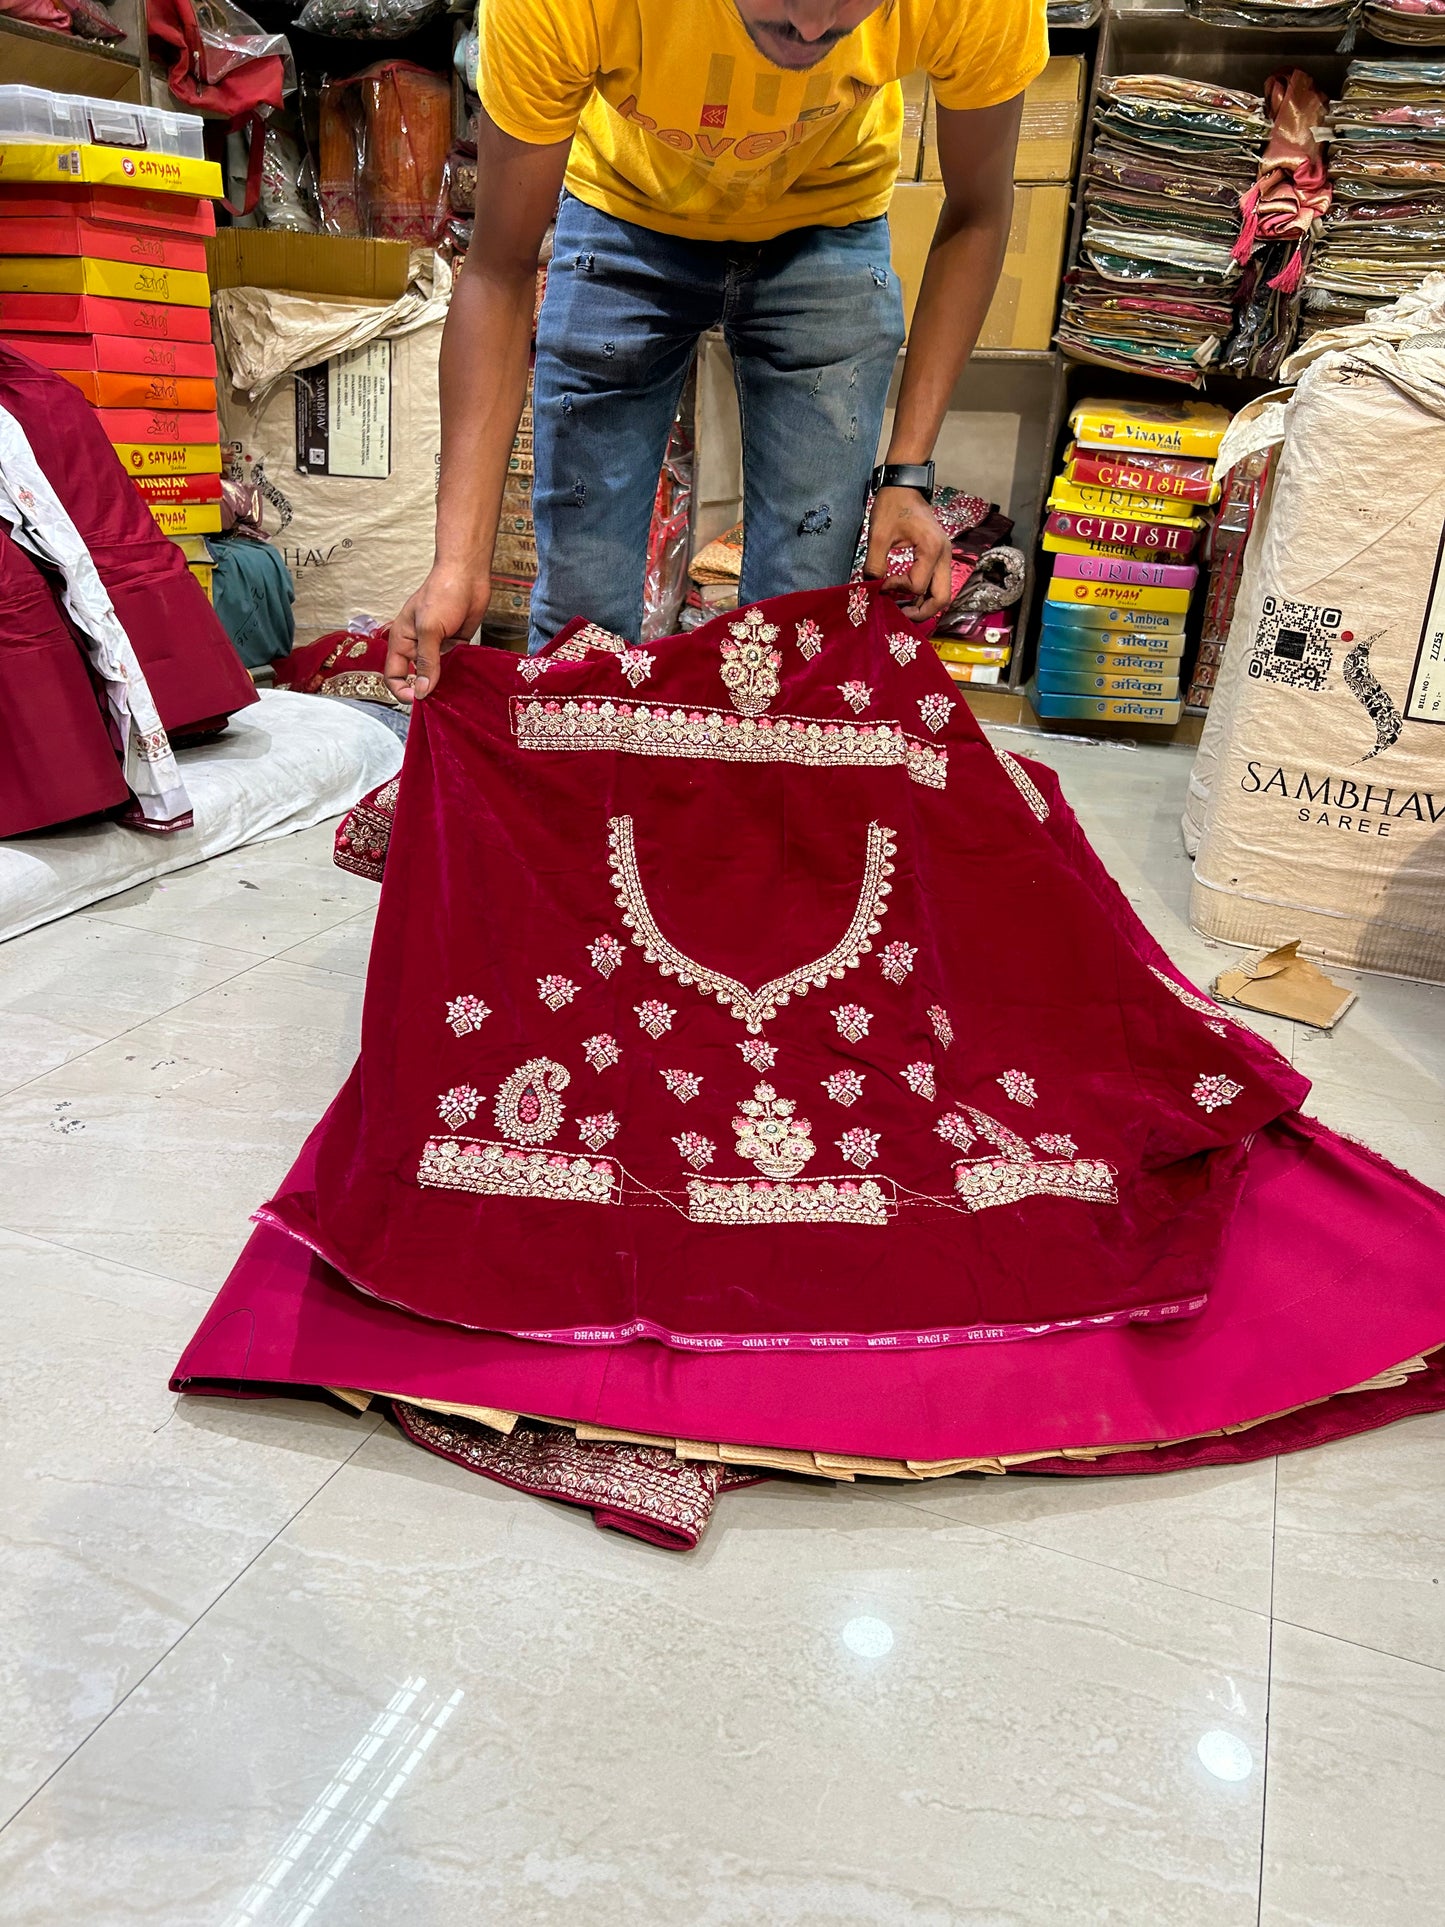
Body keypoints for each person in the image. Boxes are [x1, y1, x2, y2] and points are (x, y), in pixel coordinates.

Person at [386, 0, 1047, 701]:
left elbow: (978, 208)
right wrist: (457, 563)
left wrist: (906, 475)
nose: (817, 28)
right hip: (623, 204)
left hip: (828, 213)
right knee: (581, 629)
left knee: (796, 638)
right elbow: (497, 266)